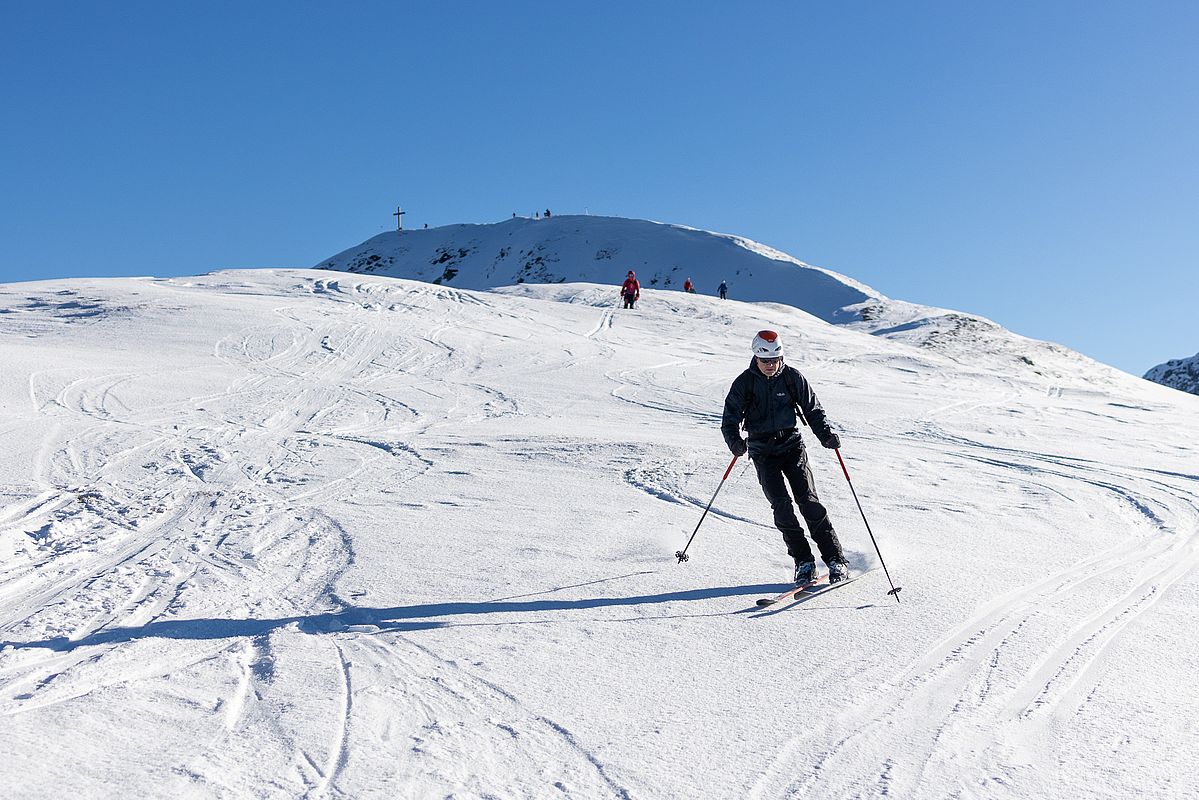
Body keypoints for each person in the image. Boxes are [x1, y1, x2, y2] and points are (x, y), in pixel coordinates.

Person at [721, 330, 849, 584]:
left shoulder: (792, 378)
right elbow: (730, 419)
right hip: (762, 451)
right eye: (765, 360)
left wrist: (825, 435)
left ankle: (835, 559)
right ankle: (803, 562)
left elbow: (813, 409)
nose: (770, 365)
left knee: (809, 502)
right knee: (781, 508)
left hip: (792, 446)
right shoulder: (744, 383)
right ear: (756, 357)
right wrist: (734, 442)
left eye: (775, 359)